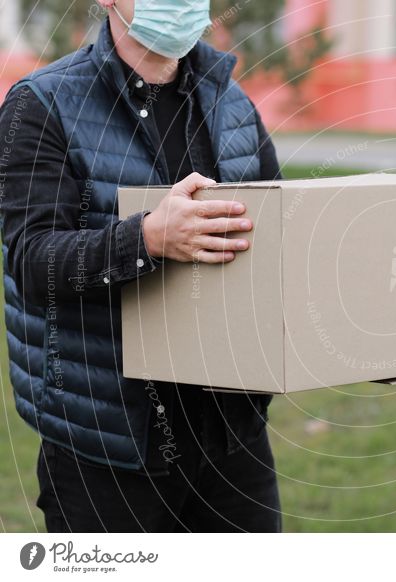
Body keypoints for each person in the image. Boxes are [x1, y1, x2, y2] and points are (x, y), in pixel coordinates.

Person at [0, 0, 283, 532]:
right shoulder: (41, 105)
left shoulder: (231, 101)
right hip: (108, 443)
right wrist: (147, 238)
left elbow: (278, 245)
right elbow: (31, 262)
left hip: (230, 434)